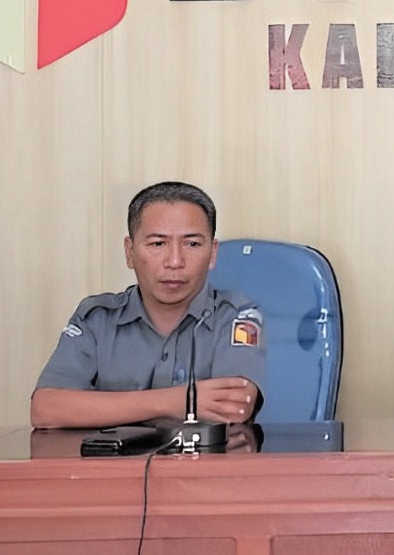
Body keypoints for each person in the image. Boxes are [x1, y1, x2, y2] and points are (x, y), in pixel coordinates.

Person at [30, 181, 266, 429]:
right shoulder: (97, 319)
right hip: (113, 457)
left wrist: (101, 408)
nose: (175, 261)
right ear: (130, 252)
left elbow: (234, 406)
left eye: (192, 244)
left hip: (205, 456)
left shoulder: (237, 315)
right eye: (158, 243)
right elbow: (46, 409)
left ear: (213, 253)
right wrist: (181, 401)